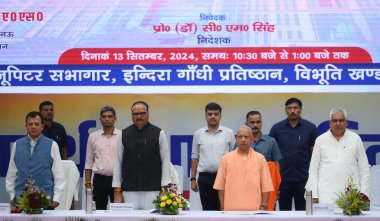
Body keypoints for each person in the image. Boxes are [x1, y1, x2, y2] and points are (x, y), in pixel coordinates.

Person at [112, 101, 171, 210]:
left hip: (153, 191)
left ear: (148, 113)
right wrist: (117, 191)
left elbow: (165, 163)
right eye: (135, 114)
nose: (139, 116)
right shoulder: (123, 134)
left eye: (142, 113)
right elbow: (118, 163)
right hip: (129, 191)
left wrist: (163, 190)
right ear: (131, 115)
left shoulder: (159, 133)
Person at [305, 108, 371, 204]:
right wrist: (314, 194)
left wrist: (364, 192)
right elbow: (313, 169)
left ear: (346, 123)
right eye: (335, 120)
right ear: (330, 123)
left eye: (341, 120)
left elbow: (364, 167)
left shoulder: (355, 139)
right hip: (325, 194)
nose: (338, 123)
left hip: (351, 194)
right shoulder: (321, 140)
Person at [6, 111, 65, 209]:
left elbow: (58, 174)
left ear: (42, 126)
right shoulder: (17, 144)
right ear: (26, 126)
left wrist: (57, 198)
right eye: (30, 124)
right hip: (21, 199)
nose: (33, 126)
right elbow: (11, 172)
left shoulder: (52, 145)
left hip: (45, 199)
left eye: (36, 124)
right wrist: (12, 194)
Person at [269, 97, 318, 211]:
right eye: (290, 108)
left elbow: (314, 152)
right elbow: (271, 152)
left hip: (303, 178)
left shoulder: (310, 127)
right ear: (285, 110)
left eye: (296, 108)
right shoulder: (277, 128)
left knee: (303, 212)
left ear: (301, 110)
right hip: (283, 178)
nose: (292, 111)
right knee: (284, 211)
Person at [213, 126, 274, 211]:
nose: (243, 139)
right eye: (240, 137)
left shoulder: (260, 158)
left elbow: (266, 185)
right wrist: (222, 206)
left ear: (252, 139)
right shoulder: (226, 158)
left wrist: (264, 205)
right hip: (230, 210)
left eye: (246, 137)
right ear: (236, 139)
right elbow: (220, 185)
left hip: (254, 211)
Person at [191, 102, 235, 210]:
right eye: (210, 114)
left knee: (225, 208)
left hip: (224, 177)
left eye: (216, 114)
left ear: (220, 116)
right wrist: (193, 179)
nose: (213, 116)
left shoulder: (229, 133)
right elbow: (195, 156)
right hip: (204, 178)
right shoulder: (198, 134)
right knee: (207, 210)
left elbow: (234, 156)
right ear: (205, 115)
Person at [242, 110, 282, 210]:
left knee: (268, 215)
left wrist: (277, 189)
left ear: (261, 123)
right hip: (246, 187)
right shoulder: (241, 141)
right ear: (246, 124)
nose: (255, 125)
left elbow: (276, 165)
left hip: (267, 188)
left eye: (258, 122)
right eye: (252, 122)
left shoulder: (271, 141)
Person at [85, 106, 121, 210]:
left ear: (115, 119)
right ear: (100, 119)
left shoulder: (122, 136)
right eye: (104, 116)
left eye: (110, 116)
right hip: (99, 179)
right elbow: (89, 162)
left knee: (119, 211)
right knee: (99, 210)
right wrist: (88, 184)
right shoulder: (93, 136)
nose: (107, 119)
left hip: (117, 179)